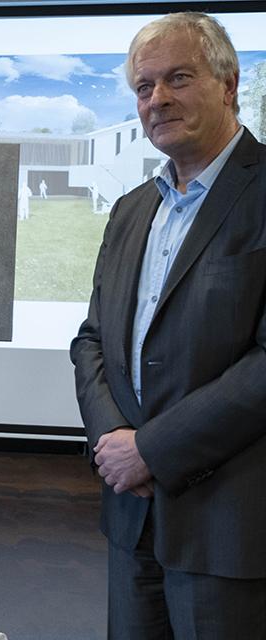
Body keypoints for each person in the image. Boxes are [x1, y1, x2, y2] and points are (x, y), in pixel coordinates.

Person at [70, 12, 266, 638]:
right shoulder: (132, 210)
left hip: (229, 532)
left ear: (229, 84)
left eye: (178, 78)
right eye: (144, 86)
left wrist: (151, 450)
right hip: (131, 517)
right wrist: (116, 446)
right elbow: (92, 339)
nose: (157, 100)